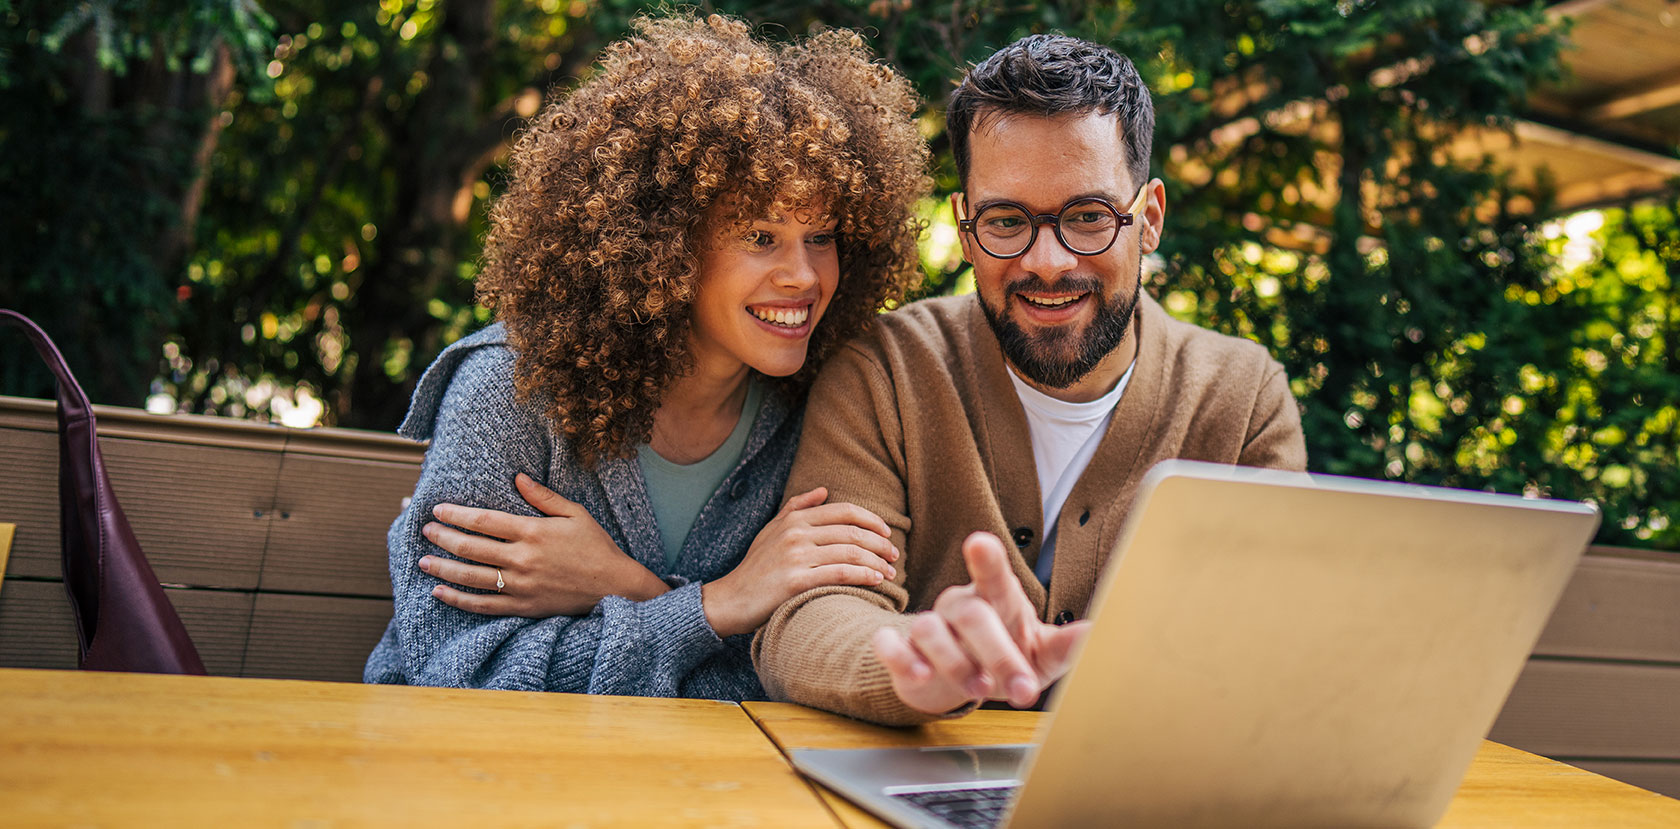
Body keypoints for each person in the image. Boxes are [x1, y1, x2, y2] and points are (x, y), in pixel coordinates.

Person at [362, 15, 930, 700]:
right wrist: (712, 606)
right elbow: (455, 673)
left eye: (821, 236)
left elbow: (783, 680)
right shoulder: (510, 391)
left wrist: (625, 589)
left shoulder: (819, 414)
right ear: (664, 242)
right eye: (760, 234)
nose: (805, 277)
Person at [749, 34, 1307, 725]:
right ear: (964, 225)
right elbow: (812, 614)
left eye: (1088, 217)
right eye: (1007, 220)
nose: (1047, 260)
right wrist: (915, 660)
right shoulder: (889, 370)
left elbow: (1271, 641)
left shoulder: (1242, 397)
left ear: (1150, 218)